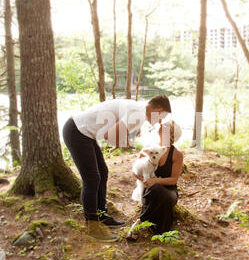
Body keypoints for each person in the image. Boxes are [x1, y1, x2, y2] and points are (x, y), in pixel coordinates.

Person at [62, 95, 172, 242]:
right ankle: (92, 226)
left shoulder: (138, 110)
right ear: (158, 110)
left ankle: (101, 215)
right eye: (161, 118)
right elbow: (110, 136)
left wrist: (121, 139)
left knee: (103, 172)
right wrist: (123, 142)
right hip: (77, 132)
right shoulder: (138, 114)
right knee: (92, 179)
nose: (159, 122)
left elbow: (113, 132)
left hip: (85, 133)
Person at [127, 118, 183, 241]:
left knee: (158, 189)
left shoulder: (177, 154)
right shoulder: (148, 149)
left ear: (172, 134)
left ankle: (139, 222)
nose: (161, 129)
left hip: (169, 192)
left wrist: (156, 180)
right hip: (150, 191)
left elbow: (173, 180)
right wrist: (143, 180)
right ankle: (143, 223)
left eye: (165, 129)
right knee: (155, 189)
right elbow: (135, 171)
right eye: (161, 128)